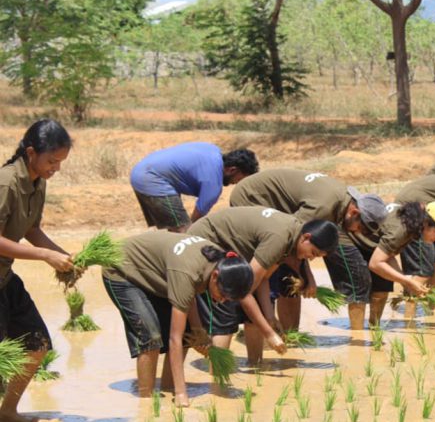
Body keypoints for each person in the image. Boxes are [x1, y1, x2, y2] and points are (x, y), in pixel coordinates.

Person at [102, 231, 253, 407]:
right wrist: (181, 394)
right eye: (223, 294)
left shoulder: (221, 261)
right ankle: (146, 401)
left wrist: (198, 331)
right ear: (215, 277)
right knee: (151, 336)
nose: (222, 300)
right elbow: (175, 338)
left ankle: (169, 386)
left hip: (157, 274)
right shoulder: (188, 271)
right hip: (122, 270)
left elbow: (189, 294)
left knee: (187, 333)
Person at [229, 169, 387, 331]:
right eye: (360, 228)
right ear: (354, 212)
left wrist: (303, 275)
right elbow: (294, 240)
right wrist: (307, 277)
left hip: (277, 209)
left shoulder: (340, 202)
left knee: (291, 277)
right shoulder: (323, 207)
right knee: (273, 270)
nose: (357, 232)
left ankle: (288, 333)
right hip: (251, 198)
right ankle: (256, 325)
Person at [188, 207, 339, 363]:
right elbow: (244, 291)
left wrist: (269, 317)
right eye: (313, 253)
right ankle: (218, 375)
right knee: (226, 309)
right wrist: (269, 333)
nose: (311, 258)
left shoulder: (291, 237)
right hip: (205, 242)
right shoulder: (279, 239)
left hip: (231, 248)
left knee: (257, 307)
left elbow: (263, 278)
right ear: (306, 238)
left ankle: (256, 365)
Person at [0, 119, 74, 422]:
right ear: (31, 153)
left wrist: (63, 256)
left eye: (60, 162)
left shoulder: (37, 182)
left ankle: (6, 412)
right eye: (52, 161)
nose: (56, 168)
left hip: (4, 276)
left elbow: (31, 230)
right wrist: (45, 256)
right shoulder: (6, 183)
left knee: (36, 344)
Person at [361, 201, 435, 325]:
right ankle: (358, 333)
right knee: (359, 293)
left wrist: (405, 283)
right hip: (352, 239)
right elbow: (375, 264)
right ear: (427, 223)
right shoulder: (402, 229)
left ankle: (373, 329)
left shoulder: (411, 226)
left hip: (369, 243)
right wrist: (407, 282)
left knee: (383, 287)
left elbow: (388, 256)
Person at [130, 143, 259, 232]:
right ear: (232, 170)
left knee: (174, 227)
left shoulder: (212, 150)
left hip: (143, 169)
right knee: (184, 231)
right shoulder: (213, 183)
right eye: (240, 179)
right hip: (152, 179)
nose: (237, 183)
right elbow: (195, 221)